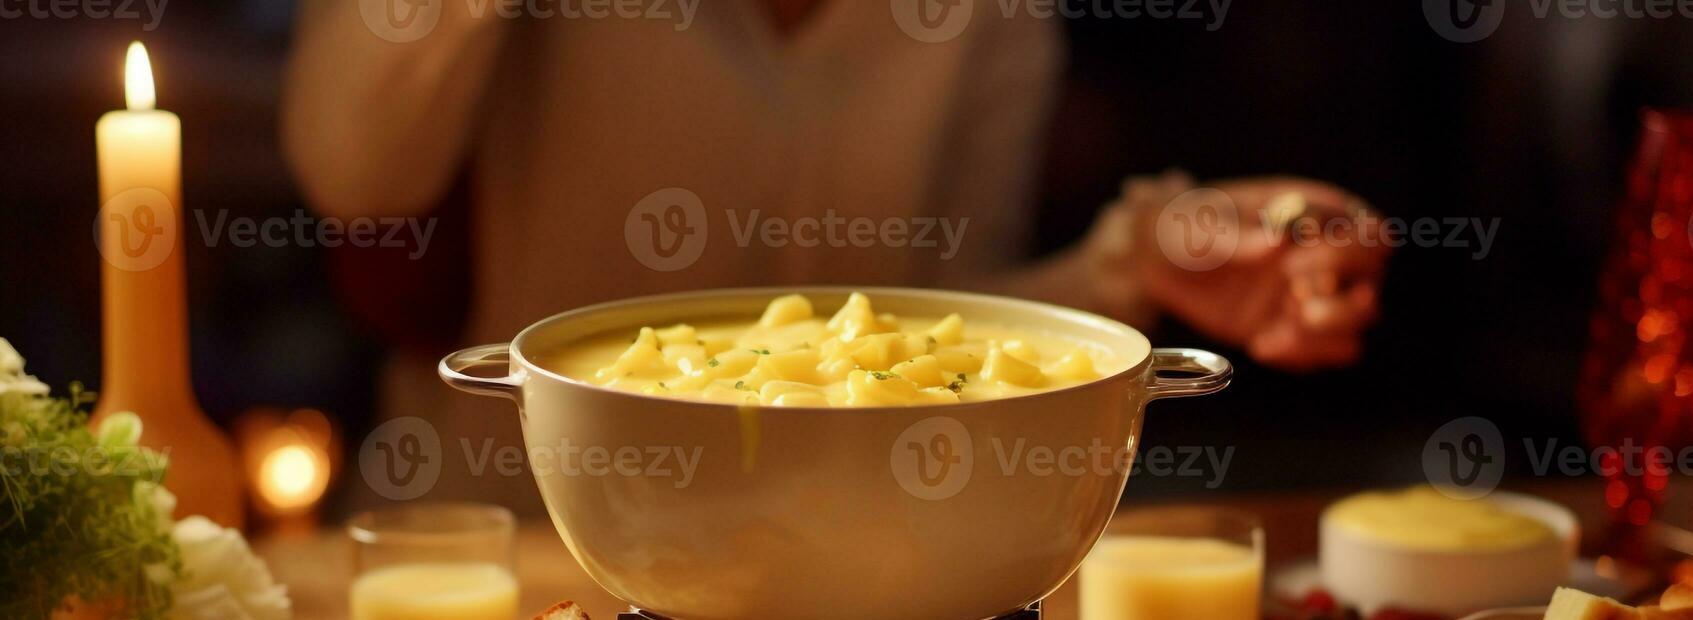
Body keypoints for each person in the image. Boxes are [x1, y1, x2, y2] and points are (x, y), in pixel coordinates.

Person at [283, 0, 1388, 507]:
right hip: (507, 542)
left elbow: (934, 328)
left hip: (836, 585)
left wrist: (1133, 269)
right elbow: (352, 171)